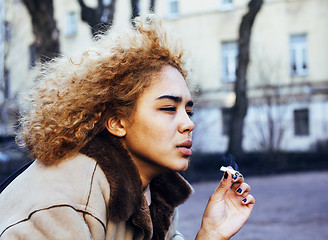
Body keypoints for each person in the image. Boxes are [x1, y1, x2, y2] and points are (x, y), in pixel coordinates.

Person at [0, 15, 255, 240]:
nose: (189, 124)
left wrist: (210, 234)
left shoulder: (154, 194)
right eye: (168, 108)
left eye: (189, 111)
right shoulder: (64, 205)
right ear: (117, 122)